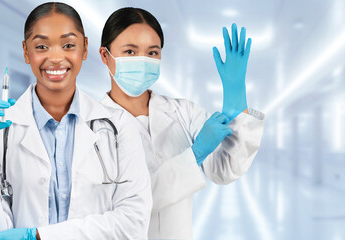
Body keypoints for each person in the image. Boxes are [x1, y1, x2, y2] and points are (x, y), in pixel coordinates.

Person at [0, 2, 151, 239]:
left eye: (68, 45)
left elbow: (134, 224)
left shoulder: (119, 126)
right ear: (26, 51)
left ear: (84, 48)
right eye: (42, 46)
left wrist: (37, 236)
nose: (56, 58)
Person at [98, 7, 265, 239]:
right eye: (130, 51)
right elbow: (128, 204)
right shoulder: (90, 127)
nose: (143, 61)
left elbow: (225, 170)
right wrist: (193, 155)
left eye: (152, 53)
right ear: (105, 56)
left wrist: (235, 94)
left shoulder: (183, 112)